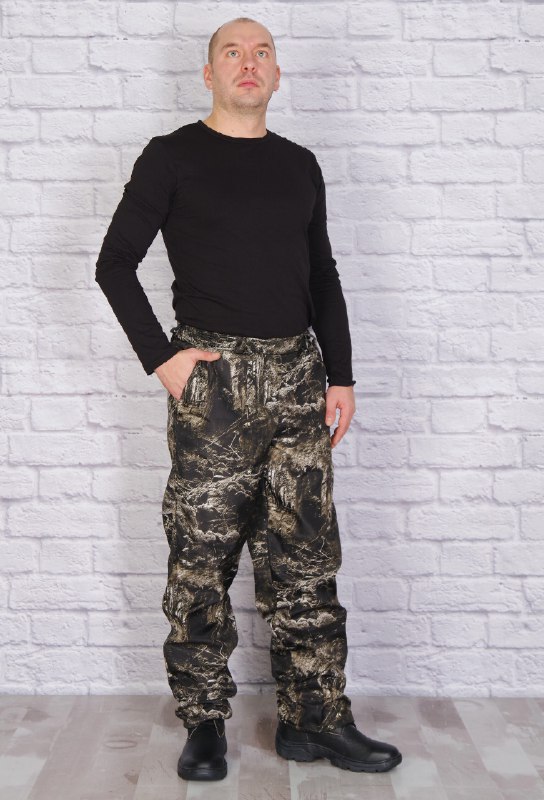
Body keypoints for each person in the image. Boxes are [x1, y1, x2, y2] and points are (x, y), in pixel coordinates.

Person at [95, 15, 402, 782]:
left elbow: (322, 272)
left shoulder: (299, 165)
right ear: (209, 74)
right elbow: (114, 262)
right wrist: (163, 359)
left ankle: (314, 719)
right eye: (232, 52)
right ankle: (204, 723)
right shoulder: (172, 157)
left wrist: (341, 374)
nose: (248, 62)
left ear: (276, 72)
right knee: (201, 558)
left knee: (306, 556)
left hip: (300, 379)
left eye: (262, 51)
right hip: (216, 386)